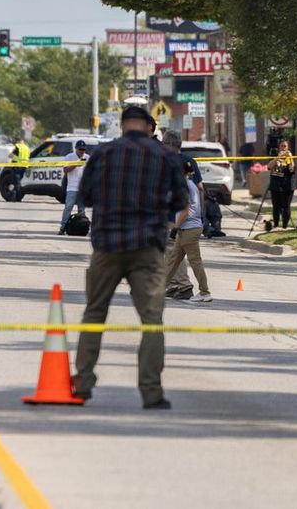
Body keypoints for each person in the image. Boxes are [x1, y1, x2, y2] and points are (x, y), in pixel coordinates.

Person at [75, 104, 186, 410]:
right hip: (147, 249)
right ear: (149, 127)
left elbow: (84, 196)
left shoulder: (103, 154)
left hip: (106, 247)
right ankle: (151, 391)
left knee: (94, 314)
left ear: (122, 125)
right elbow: (180, 201)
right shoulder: (165, 157)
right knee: (151, 320)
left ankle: (82, 383)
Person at [160, 130, 201, 300]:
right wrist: (201, 214)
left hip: (172, 214)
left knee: (172, 250)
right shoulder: (189, 161)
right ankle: (175, 285)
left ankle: (183, 284)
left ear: (169, 144)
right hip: (189, 214)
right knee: (175, 250)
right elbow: (200, 188)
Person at [165, 158, 212, 303]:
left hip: (188, 229)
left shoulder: (184, 186)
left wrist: (176, 227)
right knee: (173, 260)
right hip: (187, 228)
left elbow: (185, 211)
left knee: (195, 261)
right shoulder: (190, 184)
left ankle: (205, 292)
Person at [58, 140, 88, 233]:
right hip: (72, 187)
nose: (82, 151)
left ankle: (82, 228)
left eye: (83, 149)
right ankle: (63, 227)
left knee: (81, 209)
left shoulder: (87, 157)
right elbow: (65, 170)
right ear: (76, 149)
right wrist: (75, 164)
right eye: (80, 149)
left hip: (83, 188)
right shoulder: (69, 157)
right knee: (68, 207)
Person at [267, 139, 295, 230]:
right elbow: (269, 167)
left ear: (288, 147)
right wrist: (277, 158)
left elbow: (292, 169)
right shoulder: (276, 155)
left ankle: (284, 226)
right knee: (276, 206)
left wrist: (290, 159)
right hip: (275, 185)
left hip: (287, 185)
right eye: (281, 146)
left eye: (285, 146)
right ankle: (275, 225)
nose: (283, 148)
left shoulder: (290, 157)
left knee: (286, 206)